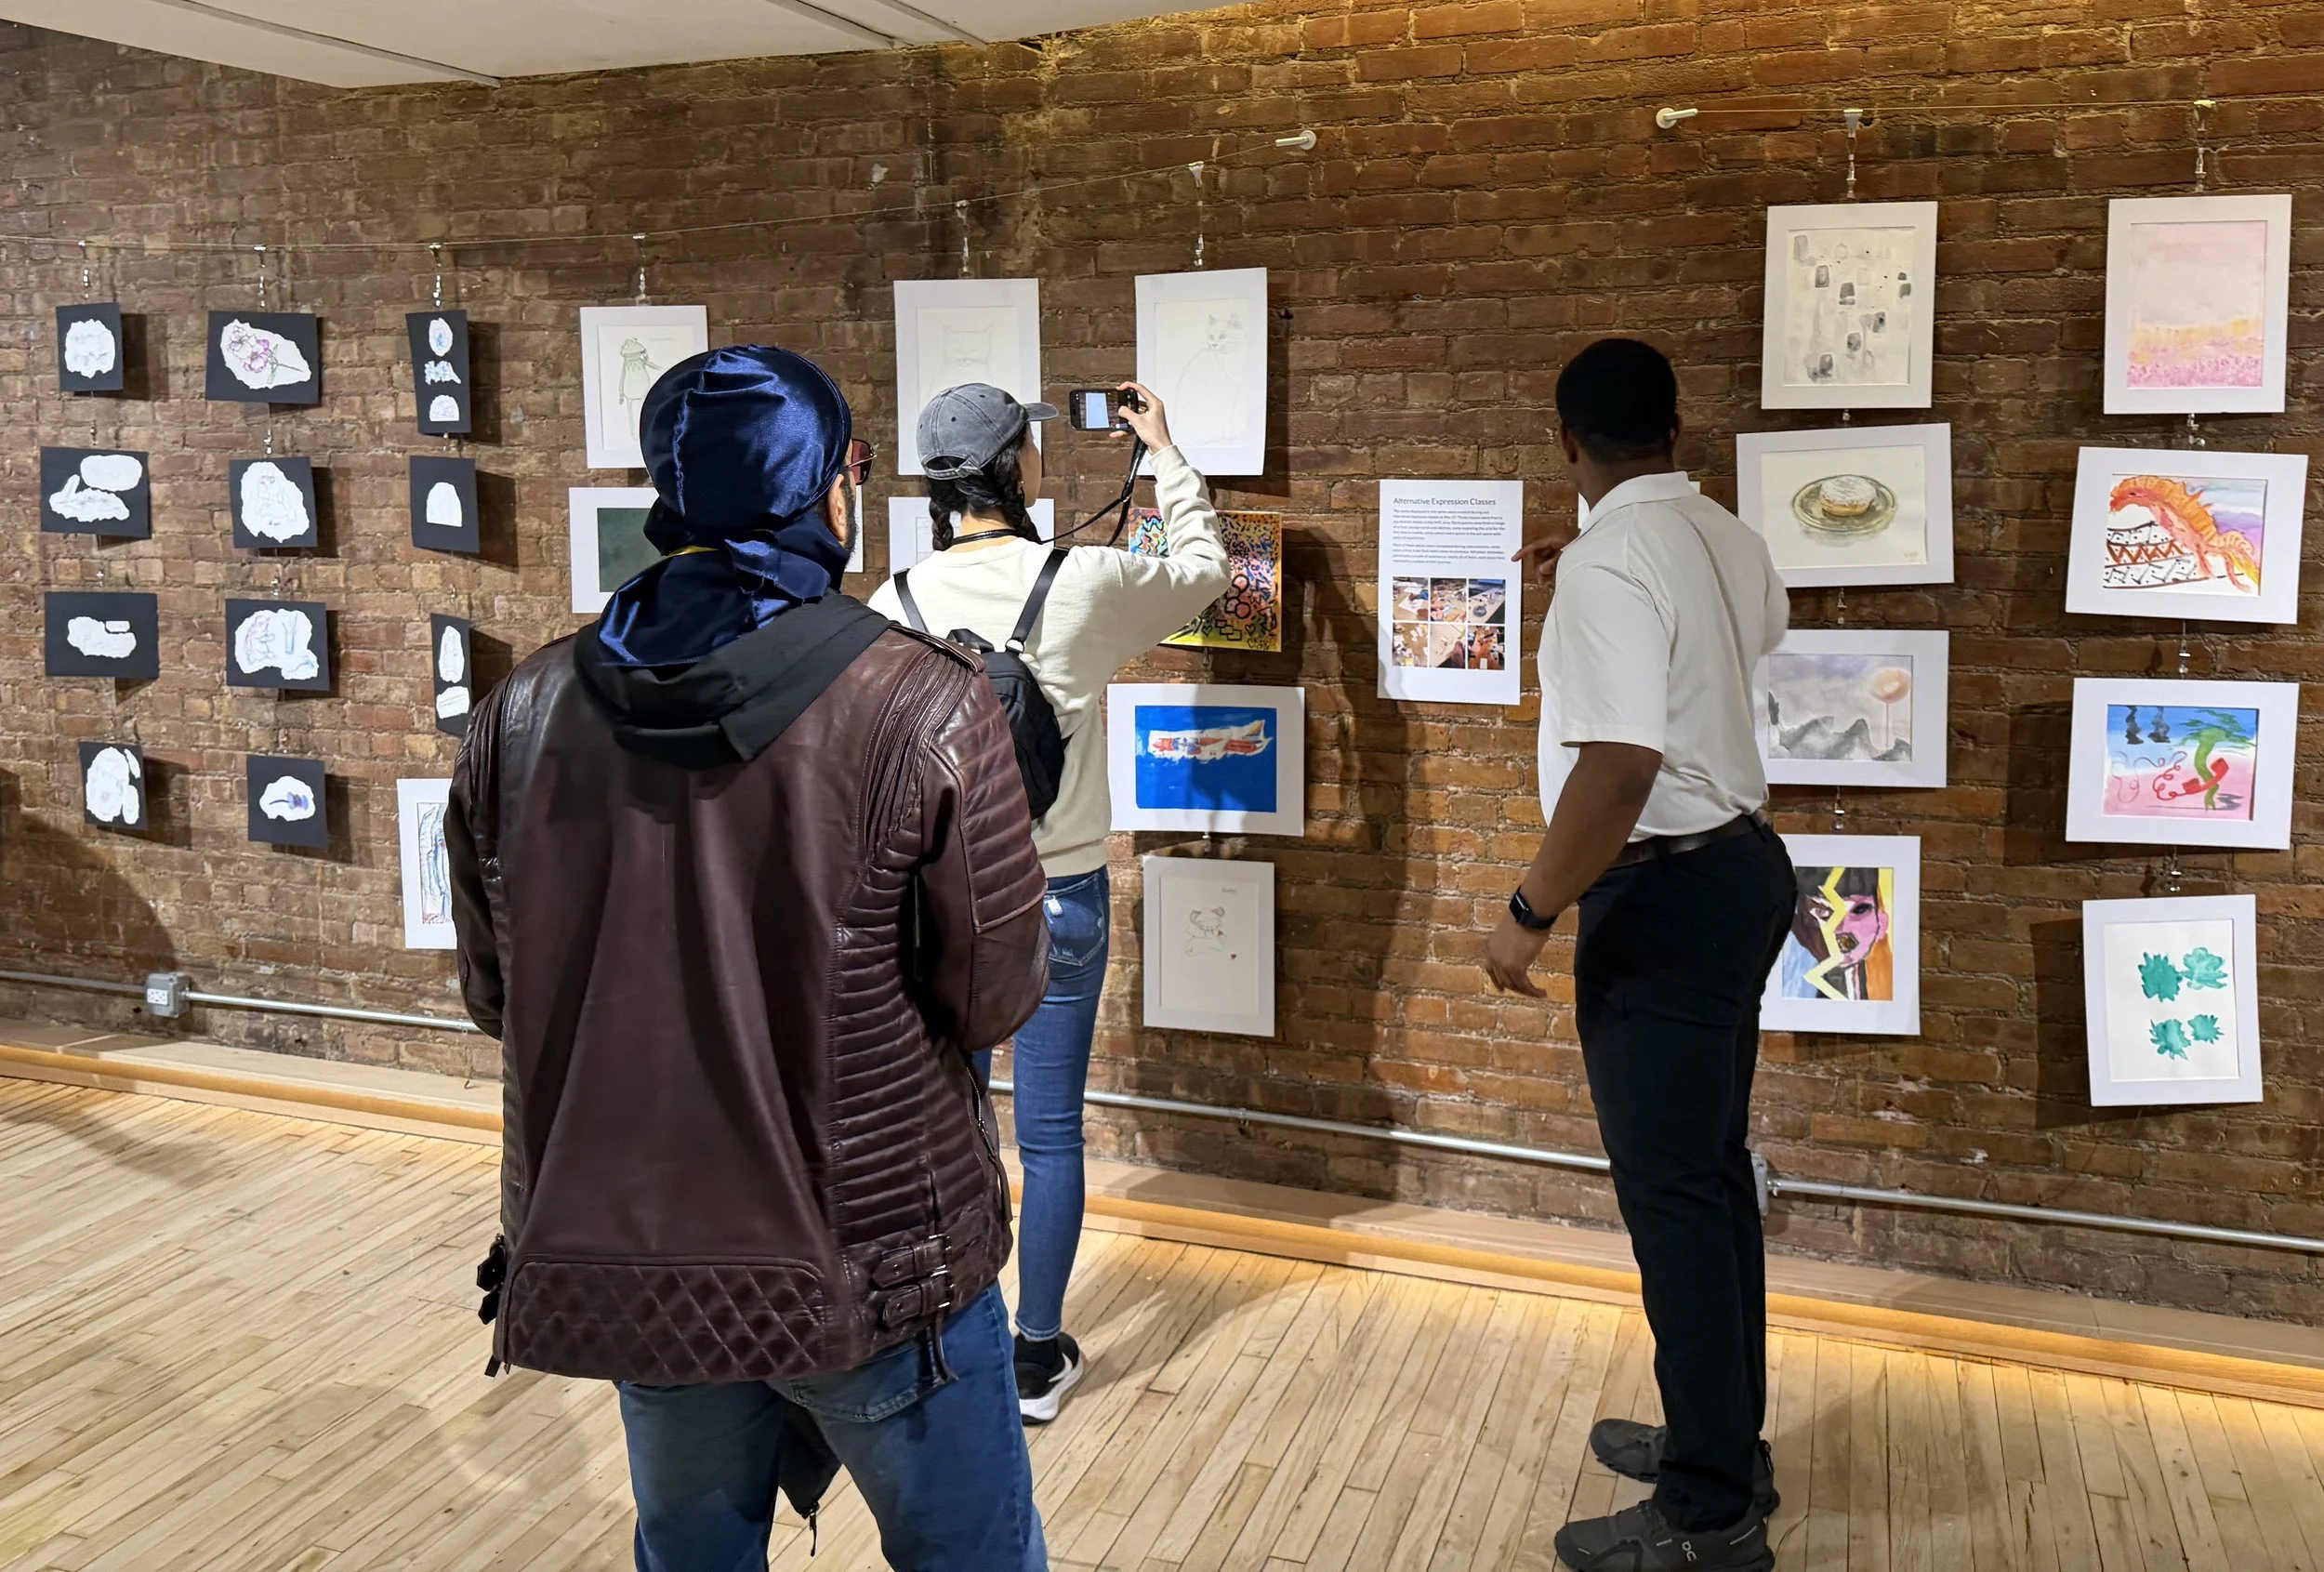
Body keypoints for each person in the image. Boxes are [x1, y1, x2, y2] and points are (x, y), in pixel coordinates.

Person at [445, 345, 1053, 1572]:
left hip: (645, 1260)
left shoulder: (523, 708)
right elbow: (994, 994)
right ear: (832, 490)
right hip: (877, 1269)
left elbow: (494, 994)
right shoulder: (927, 704)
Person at [1482, 338, 1796, 1572]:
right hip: (1737, 870)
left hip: (1659, 894)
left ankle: (1712, 1510)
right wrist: (1614, 572)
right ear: (1676, 427)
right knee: (1710, 1181)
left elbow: (1619, 766)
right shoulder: (1722, 536)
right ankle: (1721, 1441)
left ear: (1567, 439)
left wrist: (1528, 908)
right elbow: (1737, 639)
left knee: (1676, 1200)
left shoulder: (1616, 559)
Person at [868, 380, 1230, 1422]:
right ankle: (1034, 1356)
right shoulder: (1083, 580)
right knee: (1053, 1133)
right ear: (1021, 467)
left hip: (942, 905)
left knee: (950, 1118)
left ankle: (951, 1328)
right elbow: (1204, 570)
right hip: (1059, 891)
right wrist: (1162, 452)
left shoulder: (893, 603)